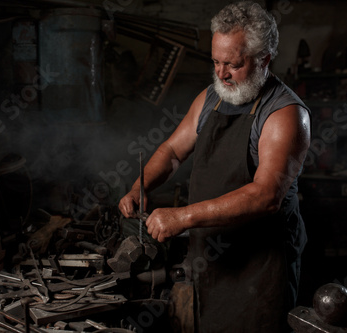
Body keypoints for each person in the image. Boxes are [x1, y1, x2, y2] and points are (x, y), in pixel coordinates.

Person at [119, 1, 311, 332]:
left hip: (260, 266)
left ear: (264, 60)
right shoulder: (212, 97)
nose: (221, 74)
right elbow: (172, 150)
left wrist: (182, 217)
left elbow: (266, 196)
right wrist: (140, 187)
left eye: (233, 65)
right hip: (210, 257)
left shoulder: (285, 114)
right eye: (216, 62)